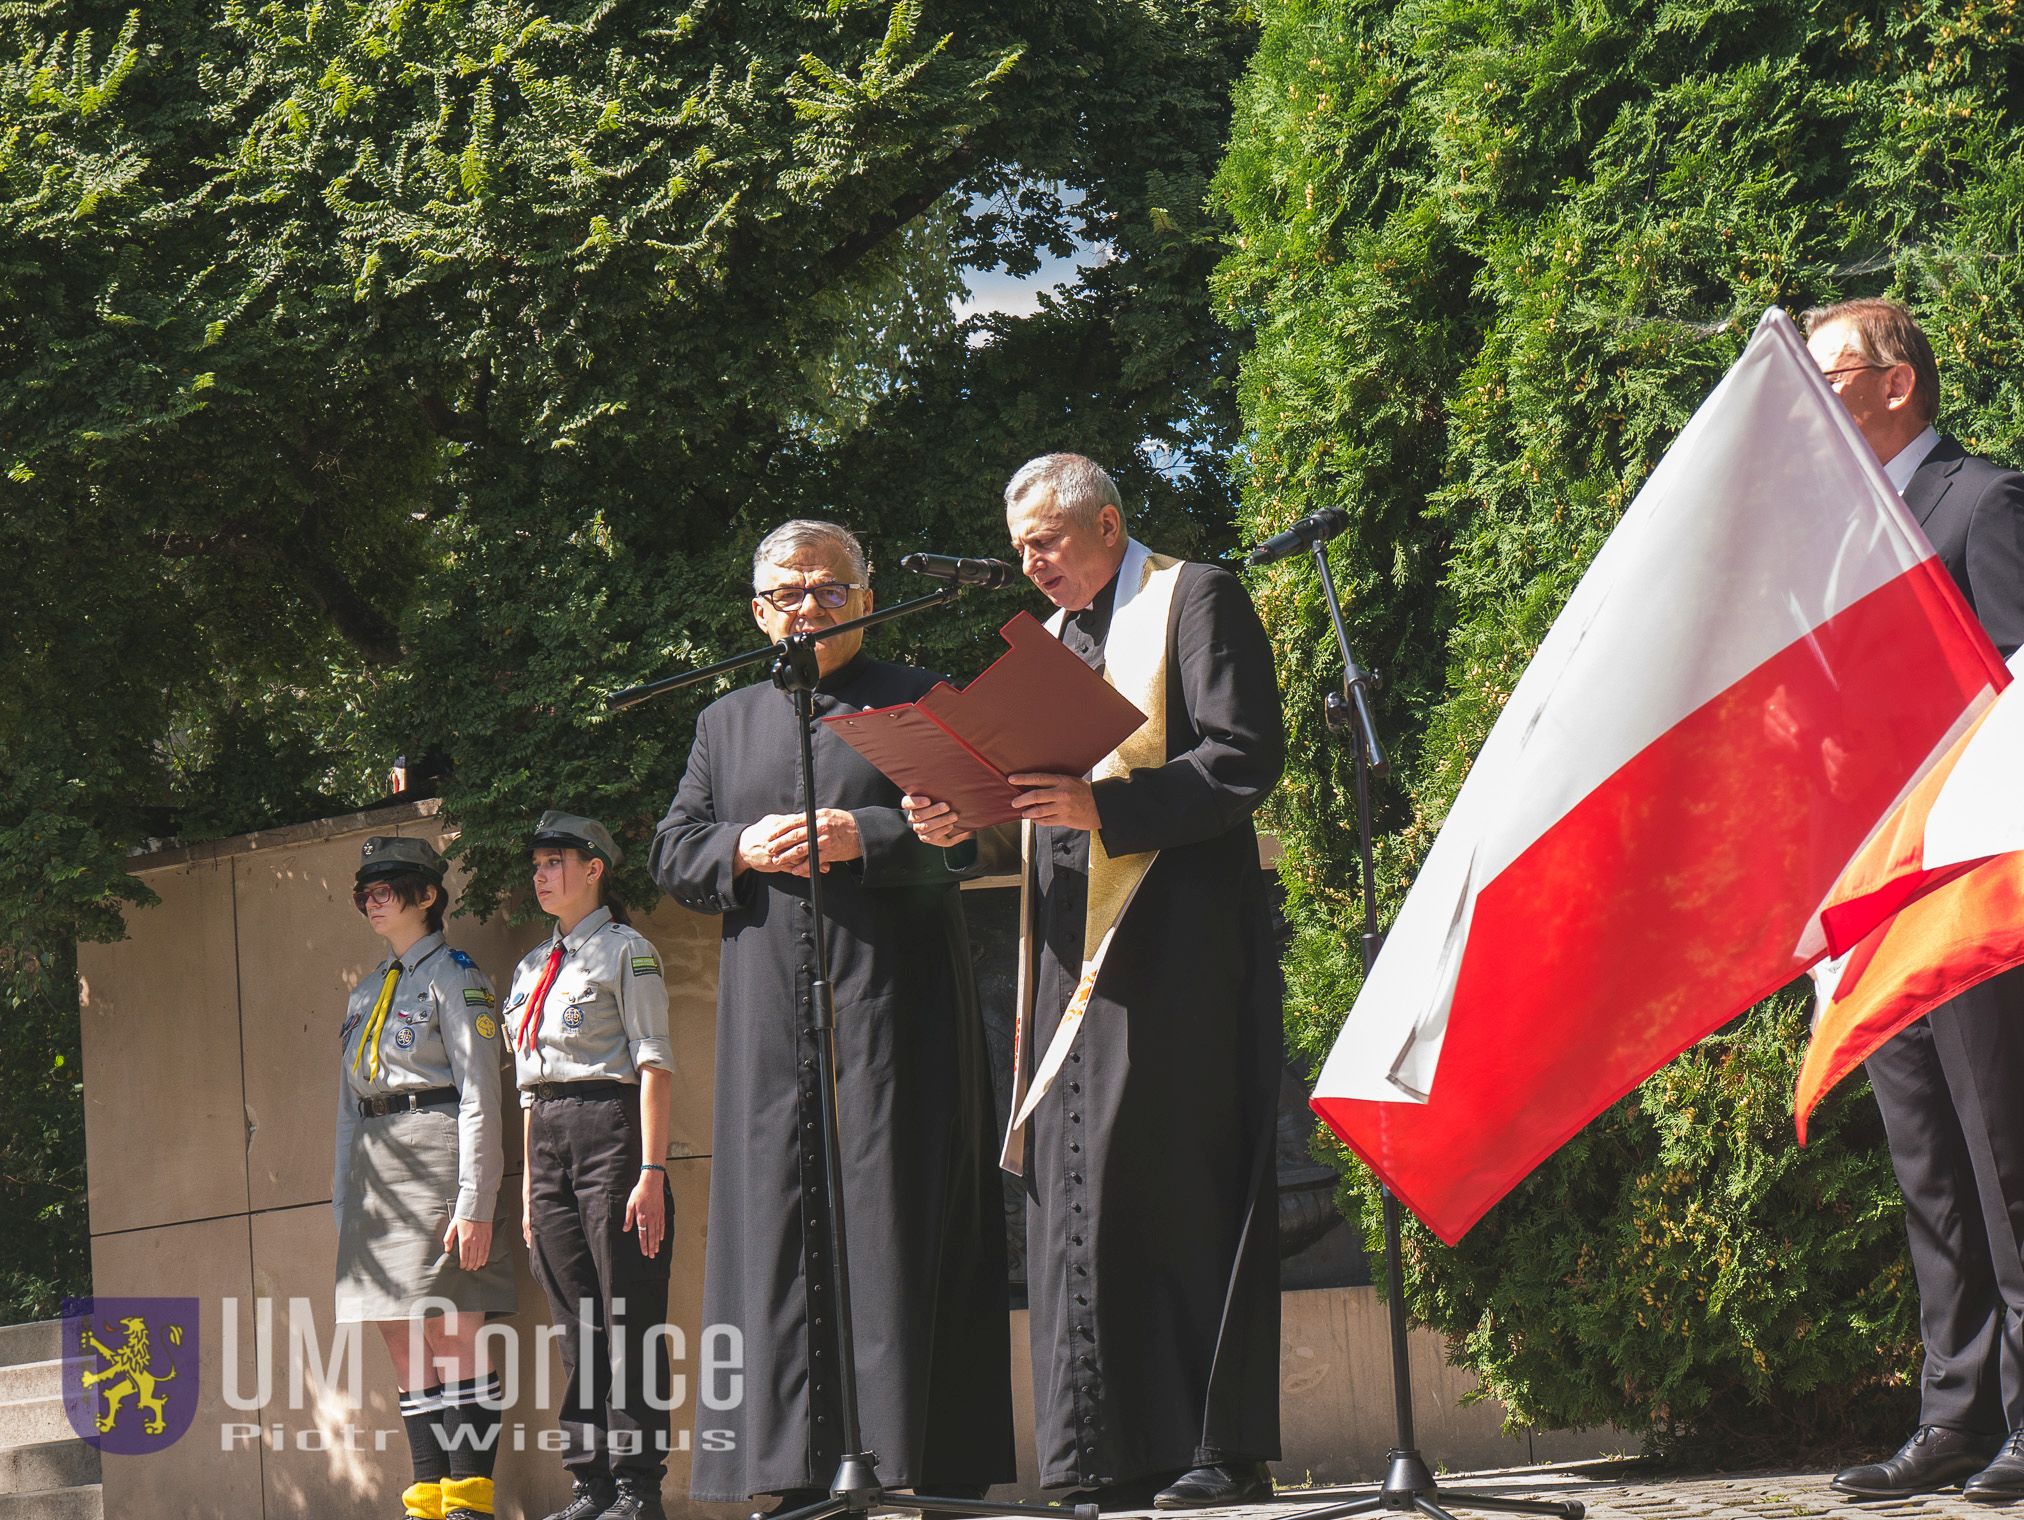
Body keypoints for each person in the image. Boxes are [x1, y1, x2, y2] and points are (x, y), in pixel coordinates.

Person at [905, 454, 1285, 1508]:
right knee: (1076, 1192)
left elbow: (1242, 757)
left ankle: (1212, 1447)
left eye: (1046, 541)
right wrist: (961, 815)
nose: (1028, 562)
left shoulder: (1193, 596)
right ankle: (1098, 1453)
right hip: (1065, 947)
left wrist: (1103, 808)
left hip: (1176, 950)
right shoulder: (1061, 640)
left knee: (1173, 1180)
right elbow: (1035, 797)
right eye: (1019, 546)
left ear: (1107, 524)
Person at [648, 518, 1014, 1511]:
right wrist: (737, 847)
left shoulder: (917, 697)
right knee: (776, 1223)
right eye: (785, 593)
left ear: (863, 593)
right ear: (756, 609)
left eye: (825, 588)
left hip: (896, 1005)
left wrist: (873, 833)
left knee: (897, 1214)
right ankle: (790, 1472)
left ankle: (912, 1459)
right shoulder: (723, 724)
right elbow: (672, 850)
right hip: (770, 1017)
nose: (804, 607)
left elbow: (975, 838)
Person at [1806, 299, 2024, 1501]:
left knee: (2005, 1158)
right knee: (1927, 1166)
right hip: (1875, 893)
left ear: (1895, 384)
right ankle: (1952, 1415)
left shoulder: (1981, 501)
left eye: (1827, 369)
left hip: (1971, 886)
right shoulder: (1837, 536)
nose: (1810, 392)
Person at [333, 836, 513, 1520]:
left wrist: (476, 1201)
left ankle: (469, 1498)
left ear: (427, 895)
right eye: (365, 892)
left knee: (451, 1328)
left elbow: (479, 1095)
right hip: (375, 1175)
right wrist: (342, 1199)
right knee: (397, 1333)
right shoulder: (366, 991)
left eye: (385, 888)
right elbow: (348, 1108)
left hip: (437, 1158)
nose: (370, 900)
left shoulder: (457, 979)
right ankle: (428, 1499)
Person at [509, 813, 676, 1520]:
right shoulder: (528, 967)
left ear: (595, 867)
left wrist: (651, 1171)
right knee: (572, 1319)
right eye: (538, 864)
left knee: (625, 1312)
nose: (541, 875)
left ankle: (638, 1487)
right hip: (545, 1139)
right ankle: (591, 1483)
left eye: (555, 862)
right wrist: (525, 1187)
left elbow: (655, 1064)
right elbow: (526, 1091)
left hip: (608, 1129)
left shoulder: (625, 952)